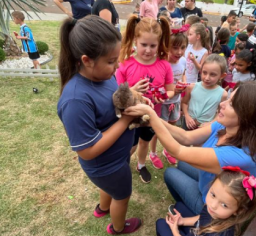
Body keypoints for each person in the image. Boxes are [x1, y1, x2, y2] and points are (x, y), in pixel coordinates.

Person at [123, 82, 256, 214]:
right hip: (211, 184)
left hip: (214, 206)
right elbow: (186, 137)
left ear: (248, 116)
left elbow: (178, 150)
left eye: (231, 104)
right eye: (228, 99)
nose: (222, 104)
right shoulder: (226, 125)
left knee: (171, 172)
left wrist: (151, 114)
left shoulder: (241, 156)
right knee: (183, 164)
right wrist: (152, 119)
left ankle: (190, 210)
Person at [57, 15, 142, 234]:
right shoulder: (76, 99)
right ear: (87, 60)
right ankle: (118, 227)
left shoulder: (103, 75)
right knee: (122, 196)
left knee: (111, 191)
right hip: (106, 167)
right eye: (112, 61)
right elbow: (87, 151)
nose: (117, 66)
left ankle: (103, 207)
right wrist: (125, 120)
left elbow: (113, 96)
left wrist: (132, 94)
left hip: (116, 158)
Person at [116, 16, 175, 178]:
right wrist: (132, 90)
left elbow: (171, 90)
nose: (148, 50)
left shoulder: (164, 65)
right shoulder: (125, 64)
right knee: (131, 144)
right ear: (135, 40)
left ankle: (141, 165)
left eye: (152, 46)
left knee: (144, 142)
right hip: (131, 117)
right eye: (144, 45)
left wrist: (163, 96)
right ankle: (122, 165)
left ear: (159, 43)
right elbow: (116, 94)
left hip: (151, 116)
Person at [156, 167, 256, 236]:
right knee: (179, 205)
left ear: (238, 211)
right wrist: (183, 221)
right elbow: (203, 217)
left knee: (161, 224)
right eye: (213, 195)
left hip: (200, 232)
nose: (213, 205)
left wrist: (175, 230)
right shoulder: (215, 210)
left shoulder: (220, 233)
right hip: (199, 230)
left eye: (224, 205)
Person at [157, 28, 189, 166]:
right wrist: (173, 91)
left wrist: (184, 82)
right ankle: (152, 153)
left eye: (182, 48)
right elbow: (158, 84)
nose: (179, 52)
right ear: (167, 46)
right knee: (157, 130)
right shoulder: (163, 63)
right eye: (175, 48)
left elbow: (183, 73)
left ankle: (167, 150)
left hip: (175, 101)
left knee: (172, 127)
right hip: (162, 102)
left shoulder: (182, 61)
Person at [182, 54, 228, 131]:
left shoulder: (223, 94)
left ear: (222, 76)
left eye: (212, 74)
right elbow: (184, 103)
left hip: (205, 128)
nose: (207, 78)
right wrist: (187, 116)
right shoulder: (191, 87)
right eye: (204, 73)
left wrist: (211, 123)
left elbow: (221, 113)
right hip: (188, 123)